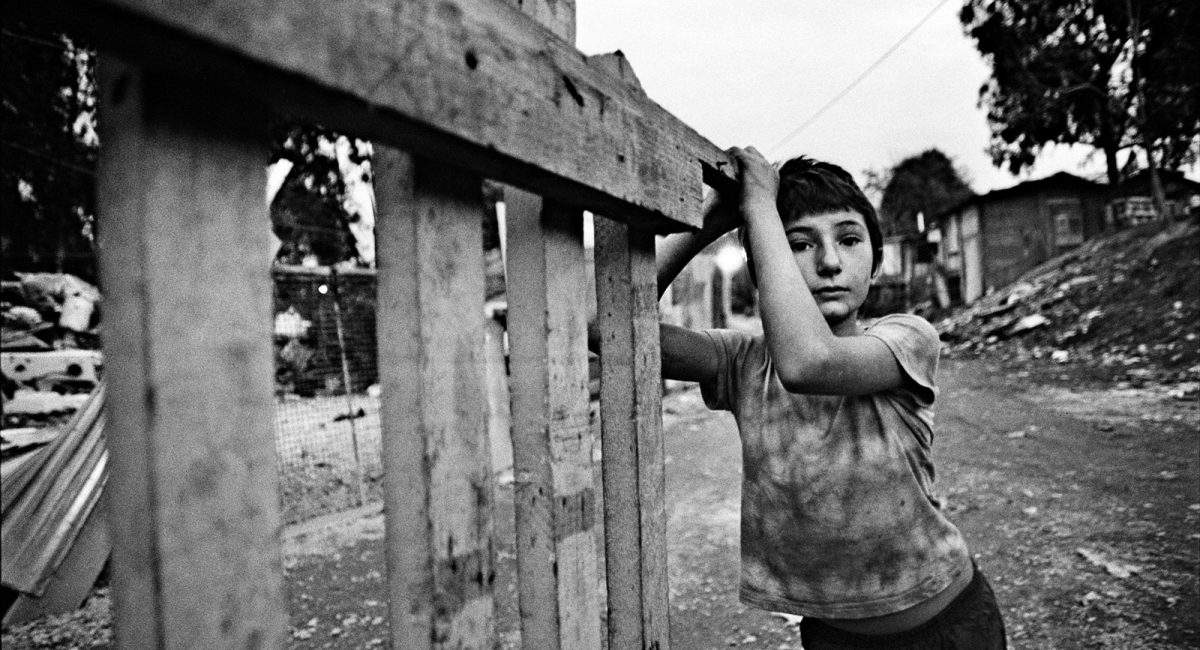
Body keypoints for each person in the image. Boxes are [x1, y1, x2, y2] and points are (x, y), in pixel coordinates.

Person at [655, 147, 1007, 649]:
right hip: (831, 638)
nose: (829, 261)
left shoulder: (907, 339)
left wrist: (760, 210)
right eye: (798, 244)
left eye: (848, 239)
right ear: (767, 265)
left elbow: (809, 363)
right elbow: (602, 326)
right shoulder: (743, 362)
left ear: (876, 261)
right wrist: (712, 222)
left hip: (949, 626)